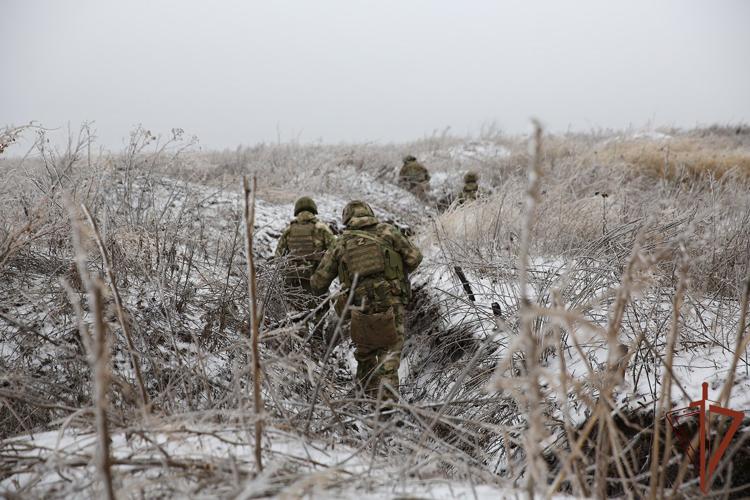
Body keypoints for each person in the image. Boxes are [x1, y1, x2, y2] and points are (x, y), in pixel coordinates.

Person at [310, 200, 422, 400]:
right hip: (391, 301)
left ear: (347, 219)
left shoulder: (341, 243)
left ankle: (366, 401)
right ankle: (387, 405)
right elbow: (414, 258)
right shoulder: (388, 232)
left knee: (366, 353)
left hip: (360, 306)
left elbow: (318, 283)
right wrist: (394, 274)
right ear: (370, 213)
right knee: (390, 351)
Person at [275, 196, 336, 337]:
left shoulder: (289, 229)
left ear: (297, 211)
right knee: (321, 307)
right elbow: (335, 252)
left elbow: (279, 255)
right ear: (314, 210)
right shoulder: (321, 228)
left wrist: (287, 274)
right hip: (315, 277)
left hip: (292, 278)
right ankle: (317, 338)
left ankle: (299, 337)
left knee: (297, 310)